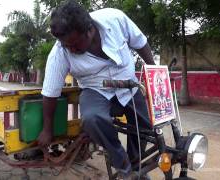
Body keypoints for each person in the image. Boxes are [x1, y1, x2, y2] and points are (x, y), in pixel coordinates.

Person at [39, 0, 155, 178]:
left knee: (146, 127)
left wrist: (154, 72)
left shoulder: (115, 19)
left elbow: (140, 43)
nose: (71, 49)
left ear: (90, 29)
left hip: (129, 85)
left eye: (75, 44)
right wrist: (47, 130)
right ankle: (124, 167)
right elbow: (50, 92)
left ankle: (136, 163)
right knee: (92, 119)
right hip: (95, 89)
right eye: (66, 45)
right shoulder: (59, 53)